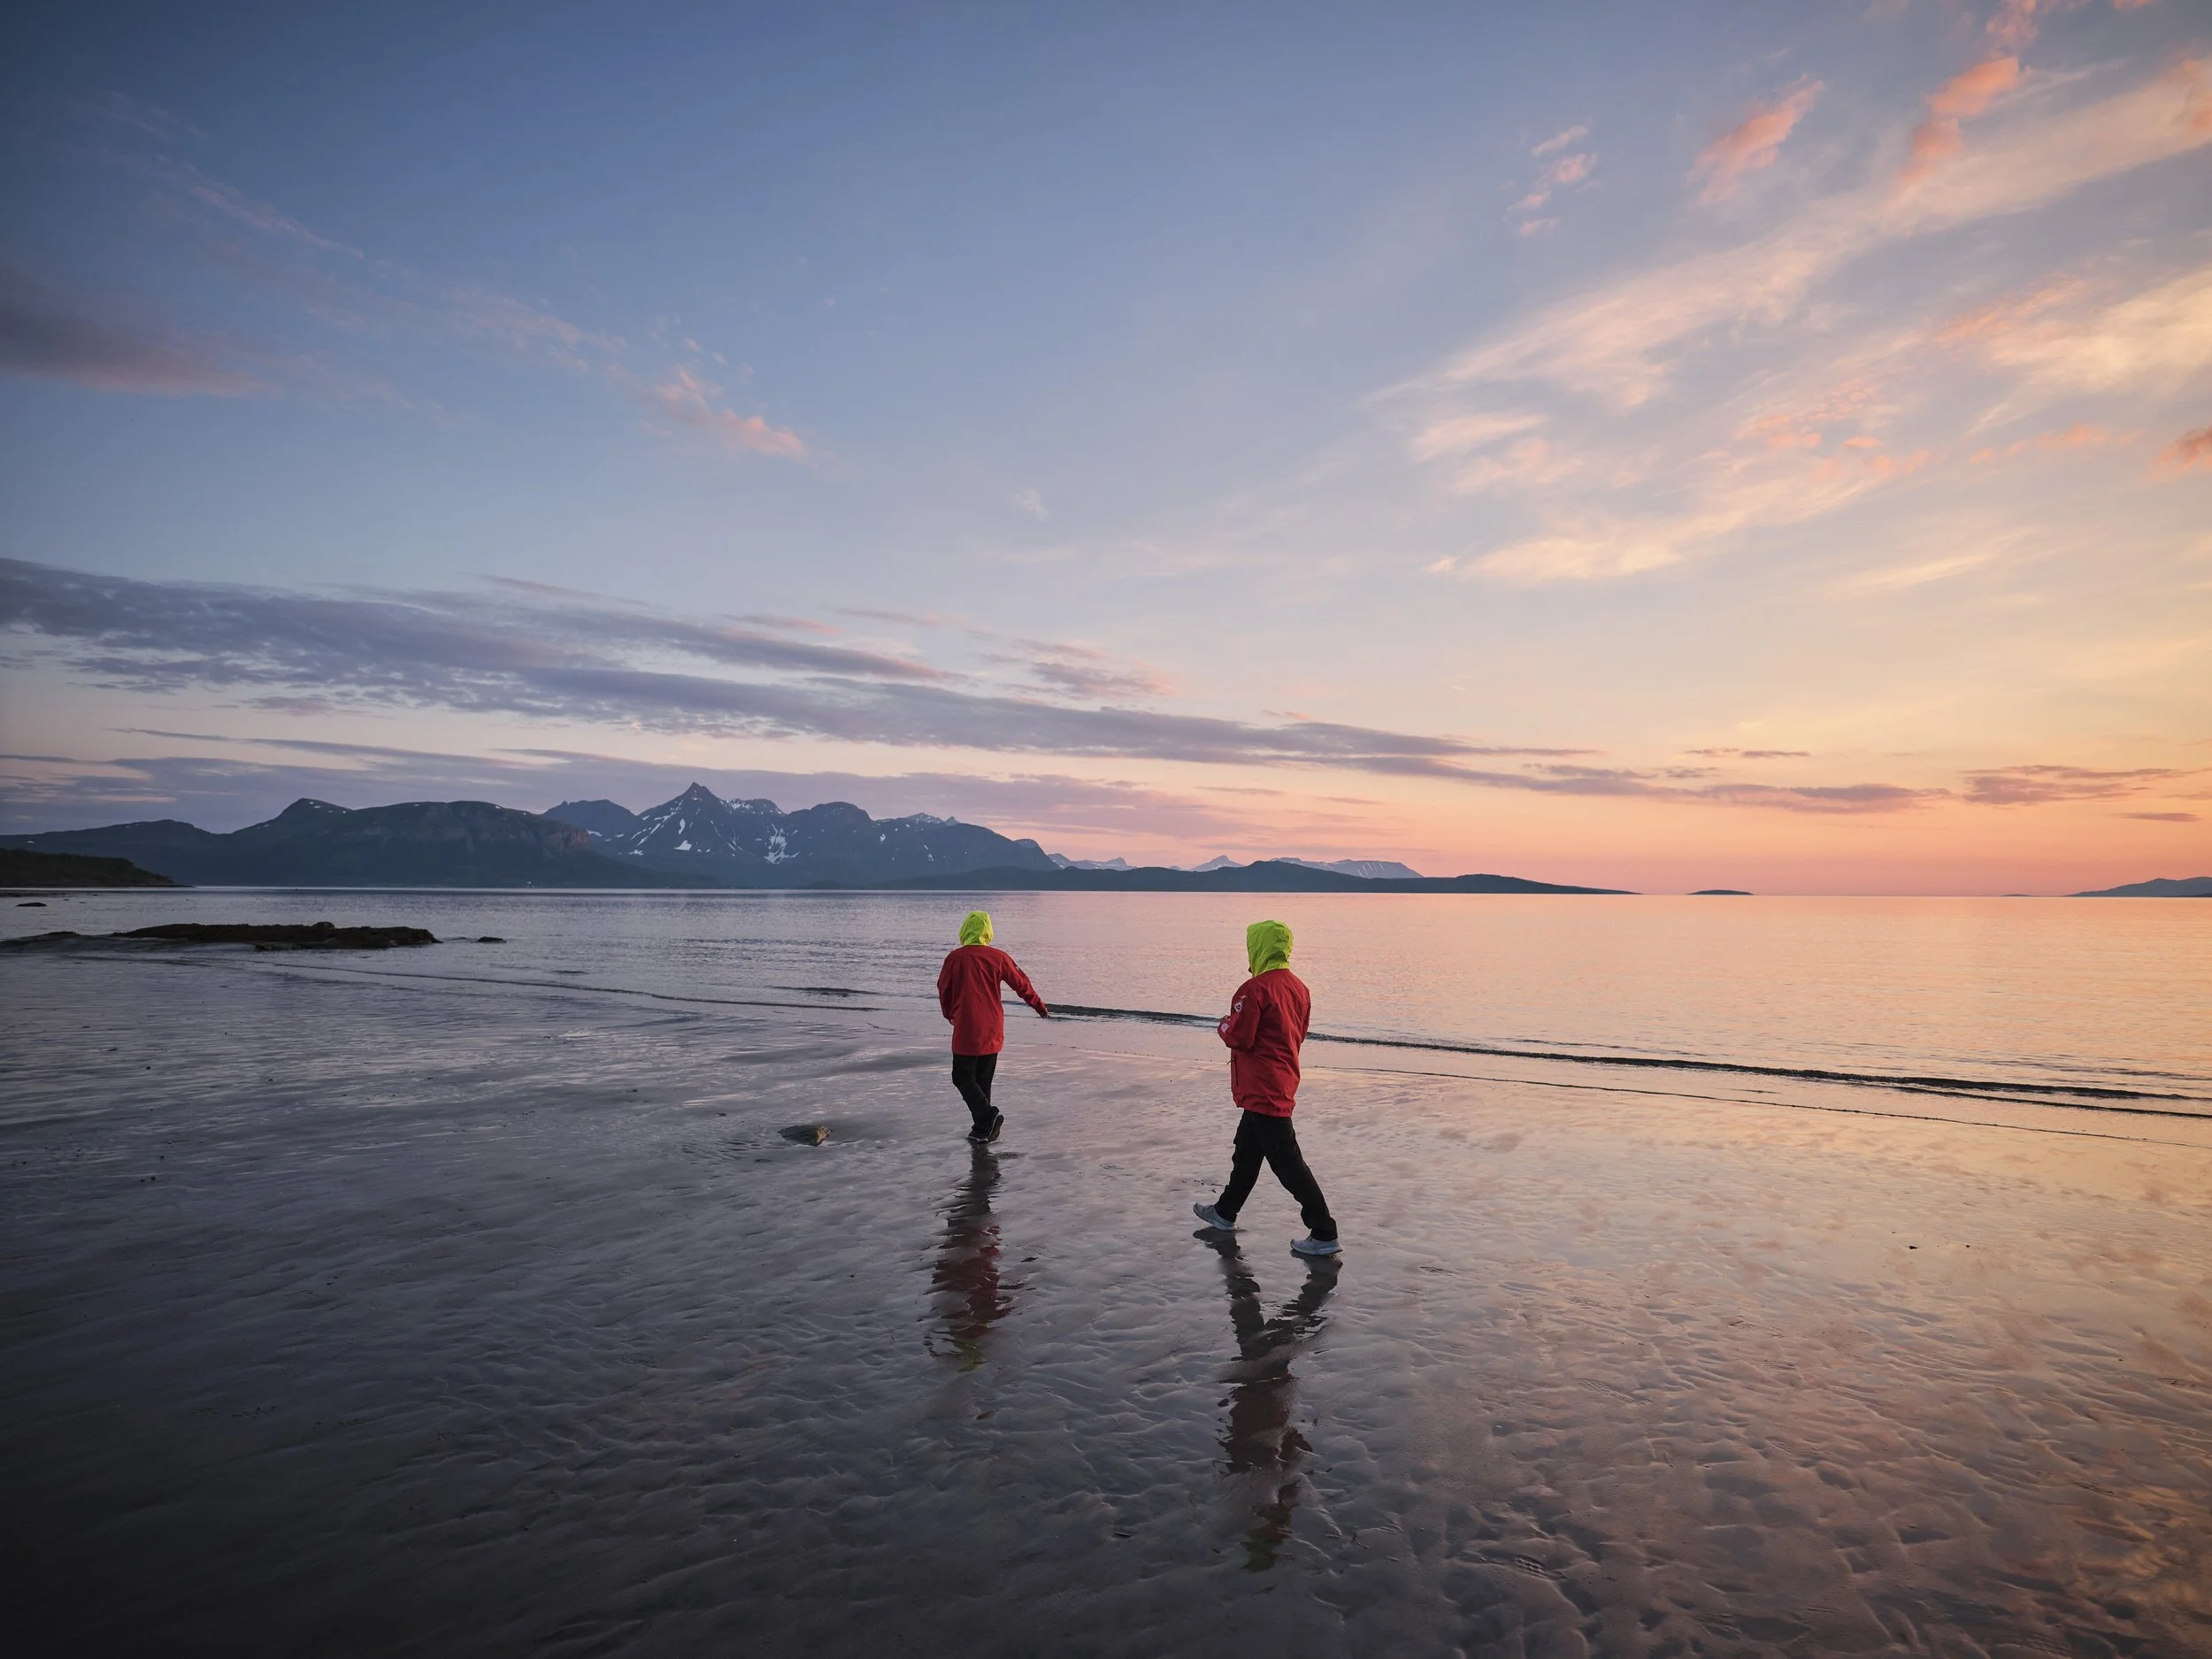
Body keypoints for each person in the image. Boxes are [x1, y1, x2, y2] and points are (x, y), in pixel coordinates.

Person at [1193, 919, 1340, 1256]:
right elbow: (1298, 1033)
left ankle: (1324, 1231)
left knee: (1288, 1162)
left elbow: (1240, 1037)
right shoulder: (1299, 987)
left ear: (1257, 947)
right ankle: (1225, 1212)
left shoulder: (1254, 989)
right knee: (1246, 1151)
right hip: (1282, 1078)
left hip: (1263, 1086)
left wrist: (1222, 1025)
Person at [935, 910, 1050, 1142]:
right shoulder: (999, 957)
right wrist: (1038, 1005)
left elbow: (943, 989)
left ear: (965, 930)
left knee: (962, 1077)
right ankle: (982, 1130)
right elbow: (1022, 984)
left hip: (967, 1025)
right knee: (982, 1080)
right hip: (992, 1027)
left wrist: (949, 1014)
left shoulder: (955, 958)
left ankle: (987, 1118)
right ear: (988, 932)